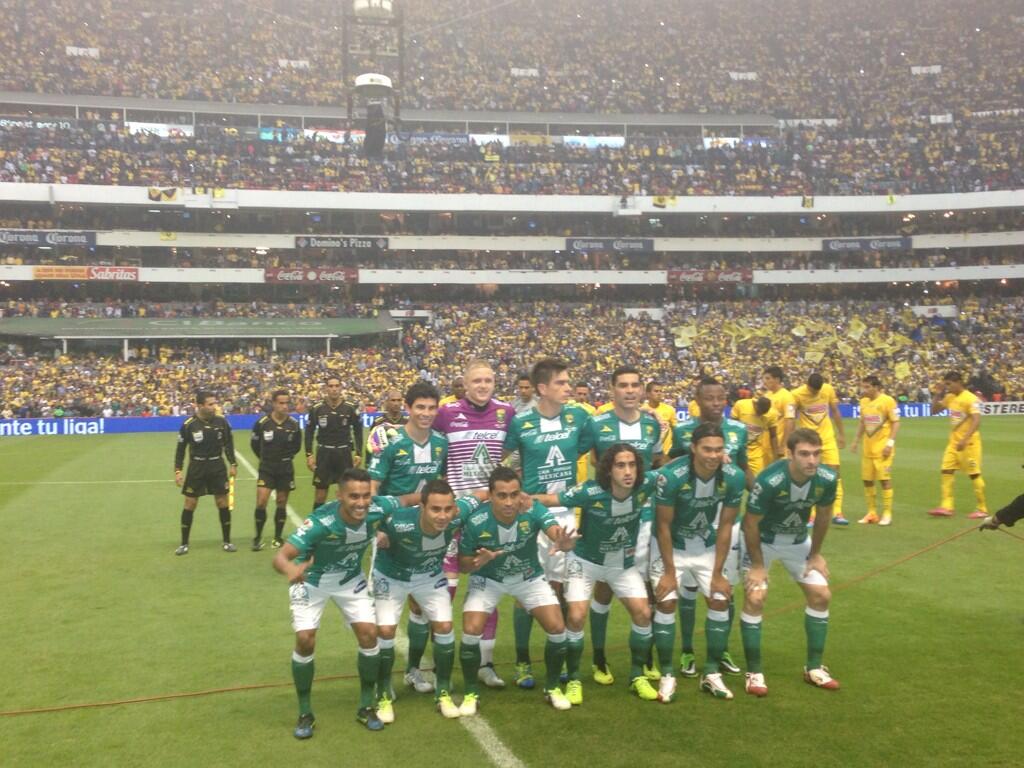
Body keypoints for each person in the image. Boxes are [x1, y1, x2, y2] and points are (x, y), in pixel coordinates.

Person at [271, 468, 394, 737]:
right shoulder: (320, 522)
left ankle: (366, 706)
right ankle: (305, 713)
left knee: (369, 634)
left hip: (350, 580)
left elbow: (406, 500)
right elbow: (280, 557)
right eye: (354, 496)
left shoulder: (377, 508)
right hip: (311, 580)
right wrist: (291, 570)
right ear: (339, 496)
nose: (361, 502)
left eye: (365, 496)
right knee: (305, 639)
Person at [534, 444, 660, 704]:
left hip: (622, 564)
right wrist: (519, 498)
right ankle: (574, 679)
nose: (628, 471)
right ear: (608, 470)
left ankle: (637, 676)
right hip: (585, 562)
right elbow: (549, 500)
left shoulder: (646, 484)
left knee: (643, 613)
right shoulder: (590, 491)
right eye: (620, 465)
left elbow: (677, 468)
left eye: (632, 465)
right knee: (576, 616)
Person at [503, 357, 594, 689]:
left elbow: (583, 449)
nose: (568, 388)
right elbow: (503, 458)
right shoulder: (521, 423)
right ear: (542, 388)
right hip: (530, 515)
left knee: (559, 588)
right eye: (561, 383)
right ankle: (522, 661)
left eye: (568, 382)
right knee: (525, 590)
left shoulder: (579, 417)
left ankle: (560, 657)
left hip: (565, 513)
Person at [457, 466, 577, 714]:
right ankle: (470, 693)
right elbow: (463, 565)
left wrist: (562, 541)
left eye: (514, 494)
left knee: (557, 628)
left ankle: (552, 688)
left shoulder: (532, 509)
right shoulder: (476, 522)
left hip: (528, 577)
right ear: (490, 495)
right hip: (488, 578)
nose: (509, 502)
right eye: (502, 496)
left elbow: (554, 531)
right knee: (470, 630)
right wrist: (480, 561)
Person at [740, 428, 841, 697]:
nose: (812, 460)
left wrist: (815, 554)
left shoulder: (827, 478)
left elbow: (823, 516)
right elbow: (750, 524)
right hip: (761, 541)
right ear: (790, 454)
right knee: (756, 598)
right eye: (805, 454)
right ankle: (754, 672)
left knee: (821, 595)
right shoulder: (769, 480)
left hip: (797, 541)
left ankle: (814, 668)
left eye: (816, 454)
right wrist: (758, 565)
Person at [373, 479, 482, 721]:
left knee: (444, 626)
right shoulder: (398, 521)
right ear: (422, 507)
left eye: (448, 509)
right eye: (435, 509)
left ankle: (442, 692)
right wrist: (378, 533)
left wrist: (524, 500)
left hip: (429, 576)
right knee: (386, 630)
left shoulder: (458, 514)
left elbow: (482, 494)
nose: (443, 516)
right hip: (391, 576)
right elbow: (363, 518)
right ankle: (383, 692)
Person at [433, 359, 512, 689]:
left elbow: (514, 452)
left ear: (495, 383)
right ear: (464, 385)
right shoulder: (446, 413)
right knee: (445, 592)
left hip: (488, 518)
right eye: (476, 381)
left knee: (486, 592)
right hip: (453, 517)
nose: (482, 386)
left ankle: (485, 663)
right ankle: (437, 665)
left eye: (488, 380)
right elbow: (433, 452)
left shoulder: (506, 413)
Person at [653, 422, 746, 702]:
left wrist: (718, 573)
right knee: (666, 601)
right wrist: (669, 573)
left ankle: (711, 673)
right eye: (707, 449)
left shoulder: (734, 477)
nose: (713, 455)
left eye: (719, 449)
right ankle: (667, 674)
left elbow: (726, 525)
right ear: (693, 448)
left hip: (704, 543)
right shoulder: (671, 476)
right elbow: (663, 526)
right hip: (670, 545)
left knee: (720, 598)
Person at [584, 366, 664, 686]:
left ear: (642, 389)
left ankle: (645, 656)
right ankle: (599, 657)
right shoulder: (596, 424)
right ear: (612, 389)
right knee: (604, 585)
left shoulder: (652, 424)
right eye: (623, 385)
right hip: (604, 516)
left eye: (635, 385)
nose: (630, 391)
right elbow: (591, 459)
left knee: (647, 587)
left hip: (644, 516)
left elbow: (657, 461)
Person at [664, 376, 749, 678]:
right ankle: (687, 650)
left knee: (726, 589)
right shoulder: (682, 431)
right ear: (697, 401)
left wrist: (761, 495)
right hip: (691, 519)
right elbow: (671, 466)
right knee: (688, 589)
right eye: (709, 398)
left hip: (727, 519)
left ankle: (720, 649)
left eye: (720, 398)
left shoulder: (739, 430)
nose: (715, 403)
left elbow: (744, 470)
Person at [367, 380, 448, 693]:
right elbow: (373, 487)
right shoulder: (391, 442)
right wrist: (377, 526)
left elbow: (440, 484)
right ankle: (381, 680)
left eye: (431, 408)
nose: (426, 413)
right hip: (392, 534)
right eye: (420, 407)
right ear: (408, 409)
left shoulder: (440, 443)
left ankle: (413, 670)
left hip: (427, 534)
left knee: (421, 608)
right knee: (386, 618)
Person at [173, 389, 237, 554]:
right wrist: (178, 470)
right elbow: (180, 449)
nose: (214, 407)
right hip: (197, 467)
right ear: (200, 405)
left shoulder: (222, 422)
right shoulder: (189, 425)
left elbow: (228, 444)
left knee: (222, 502)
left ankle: (227, 541)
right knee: (190, 503)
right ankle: (184, 544)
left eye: (214, 403)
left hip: (217, 465)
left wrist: (233, 463)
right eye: (210, 404)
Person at [928, 371, 988, 519]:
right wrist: (937, 394)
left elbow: (976, 420)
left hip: (969, 444)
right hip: (953, 443)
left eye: (949, 384)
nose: (947, 387)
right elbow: (933, 411)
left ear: (959, 382)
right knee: (946, 471)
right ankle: (947, 506)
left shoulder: (970, 398)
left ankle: (982, 508)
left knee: (974, 474)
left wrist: (965, 439)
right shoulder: (950, 397)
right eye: (946, 384)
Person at [250, 389, 301, 551]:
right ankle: (257, 537)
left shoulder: (293, 424)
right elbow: (254, 445)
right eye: (281, 403)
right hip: (267, 467)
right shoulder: (262, 423)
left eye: (287, 403)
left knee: (281, 502)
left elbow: (297, 446)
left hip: (285, 467)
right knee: (261, 501)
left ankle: (277, 537)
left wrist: (286, 457)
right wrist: (265, 458)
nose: (284, 406)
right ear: (273, 404)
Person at [305, 377, 363, 513]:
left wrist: (358, 453)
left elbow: (358, 431)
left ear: (341, 388)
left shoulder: (350, 407)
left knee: (347, 494)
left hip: (344, 453)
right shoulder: (317, 408)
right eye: (331, 386)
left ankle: (347, 523)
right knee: (320, 495)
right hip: (324, 453)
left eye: (337, 386)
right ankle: (317, 523)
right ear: (326, 388)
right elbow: (309, 432)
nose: (334, 389)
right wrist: (309, 454)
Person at [850, 375, 900, 525]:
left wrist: (889, 444)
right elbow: (863, 422)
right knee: (867, 481)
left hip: (882, 448)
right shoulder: (863, 402)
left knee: (884, 480)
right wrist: (856, 440)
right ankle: (871, 513)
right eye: (863, 386)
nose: (863, 390)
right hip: (867, 448)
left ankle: (887, 513)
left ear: (876, 387)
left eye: (867, 387)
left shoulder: (888, 401)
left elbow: (896, 423)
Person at [729, 395, 779, 477]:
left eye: (763, 413)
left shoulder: (772, 414)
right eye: (759, 412)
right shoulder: (741, 405)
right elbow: (731, 426)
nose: (760, 415)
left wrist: (776, 455)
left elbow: (773, 435)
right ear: (755, 404)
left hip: (755, 451)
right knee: (735, 477)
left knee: (758, 478)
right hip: (738, 448)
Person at [762, 366, 796, 454]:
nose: (764, 381)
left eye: (767, 378)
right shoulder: (767, 395)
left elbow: (790, 421)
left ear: (777, 379)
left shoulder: (788, 397)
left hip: (778, 445)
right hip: (765, 444)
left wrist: (784, 445)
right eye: (764, 378)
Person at [366, 389, 406, 457]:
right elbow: (371, 442)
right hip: (384, 458)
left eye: (399, 400)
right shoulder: (378, 421)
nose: (396, 403)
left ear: (402, 402)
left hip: (403, 458)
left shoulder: (408, 421)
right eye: (393, 400)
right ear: (387, 402)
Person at [642, 380, 678, 456]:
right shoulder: (642, 410)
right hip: (649, 453)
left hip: (667, 454)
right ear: (648, 394)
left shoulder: (669, 409)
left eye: (661, 391)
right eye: (656, 391)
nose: (659, 393)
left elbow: (676, 430)